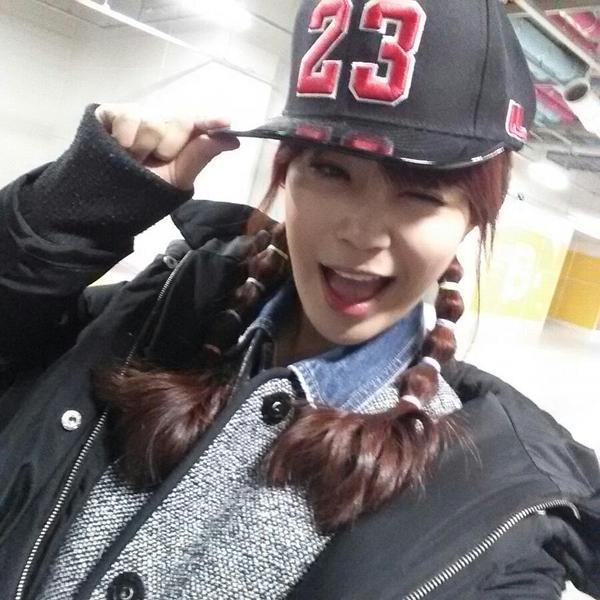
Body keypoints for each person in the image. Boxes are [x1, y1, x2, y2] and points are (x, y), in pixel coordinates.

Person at [1, 0, 599, 598]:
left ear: (471, 221)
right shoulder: (152, 317)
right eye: (332, 172)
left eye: (421, 195)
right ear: (287, 173)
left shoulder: (490, 507)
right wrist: (79, 208)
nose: (360, 234)